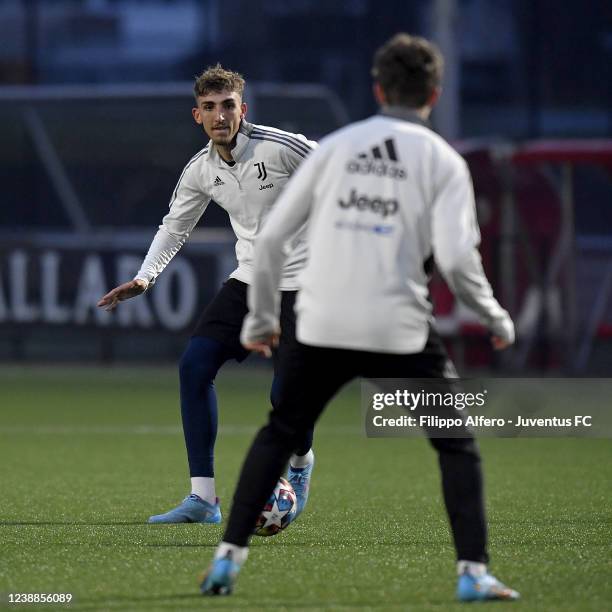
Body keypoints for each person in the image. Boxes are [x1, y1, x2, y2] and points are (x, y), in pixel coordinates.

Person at [199, 34, 520, 602]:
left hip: (323, 320)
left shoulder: (337, 147)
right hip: (398, 326)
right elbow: (455, 258)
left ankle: (226, 562)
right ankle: (473, 573)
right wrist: (493, 316)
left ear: (378, 89)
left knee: (281, 432)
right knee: (455, 443)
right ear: (434, 93)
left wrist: (260, 319)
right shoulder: (443, 160)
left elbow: (270, 238)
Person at [97, 64, 316, 525]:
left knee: (286, 396)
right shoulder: (200, 170)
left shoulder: (283, 147)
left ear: (243, 109)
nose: (220, 116)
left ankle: (300, 464)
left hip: (307, 284)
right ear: (197, 115)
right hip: (250, 280)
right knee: (194, 366)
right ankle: (202, 499)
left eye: (228, 106)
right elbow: (174, 226)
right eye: (210, 108)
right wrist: (145, 278)